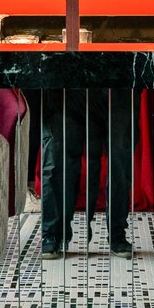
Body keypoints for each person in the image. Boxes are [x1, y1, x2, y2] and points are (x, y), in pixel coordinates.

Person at [37, 88, 134, 256]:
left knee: (120, 159)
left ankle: (117, 234)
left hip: (116, 89)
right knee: (57, 155)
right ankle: (51, 234)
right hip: (67, 90)